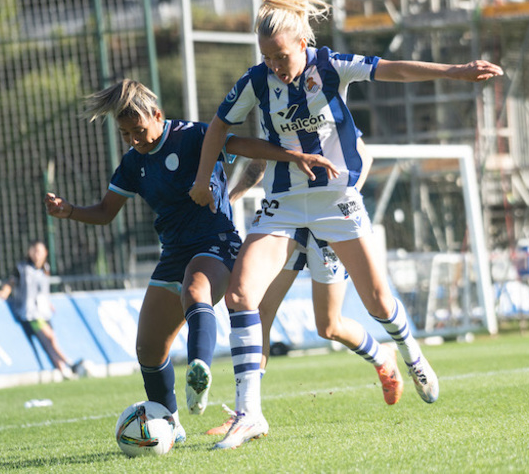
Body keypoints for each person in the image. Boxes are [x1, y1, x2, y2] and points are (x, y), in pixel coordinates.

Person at [188, 0, 504, 449]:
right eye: (267, 57)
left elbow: (390, 69)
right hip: (285, 205)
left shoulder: (331, 66)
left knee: (372, 303)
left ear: (303, 43)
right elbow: (220, 126)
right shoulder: (256, 82)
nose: (275, 66)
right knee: (240, 295)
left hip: (336, 199)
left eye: (281, 56)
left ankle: (410, 354)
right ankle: (249, 414)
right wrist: (201, 180)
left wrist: (453, 71)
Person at [43, 79, 337, 444]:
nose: (134, 140)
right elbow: (105, 212)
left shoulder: (193, 136)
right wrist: (69, 211)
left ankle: (199, 369)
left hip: (216, 242)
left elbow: (247, 148)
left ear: (158, 116)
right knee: (148, 349)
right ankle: (169, 424)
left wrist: (296, 156)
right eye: (125, 134)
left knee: (195, 291)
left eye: (138, 130)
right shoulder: (134, 162)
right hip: (174, 254)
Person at [206, 138, 404, 437]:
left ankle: (382, 355)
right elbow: (263, 156)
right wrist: (236, 194)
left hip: (326, 220)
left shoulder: (326, 95)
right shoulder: (272, 97)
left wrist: (343, 206)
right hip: (284, 219)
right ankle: (247, 413)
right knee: (257, 313)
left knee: (329, 325)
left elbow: (363, 154)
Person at [0, 240, 80, 380]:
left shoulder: (45, 268)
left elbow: (42, 290)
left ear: (45, 253)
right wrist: (4, 292)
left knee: (48, 343)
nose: (36, 254)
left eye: (39, 251)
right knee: (50, 337)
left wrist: (48, 302)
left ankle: (62, 370)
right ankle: (71, 363)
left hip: (44, 311)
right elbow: (11, 282)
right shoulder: (22, 268)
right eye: (34, 251)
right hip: (31, 313)